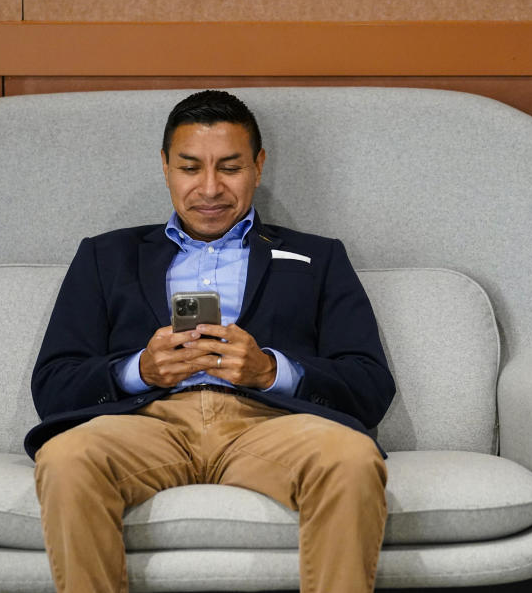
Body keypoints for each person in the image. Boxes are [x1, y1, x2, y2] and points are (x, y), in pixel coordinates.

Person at [26, 90, 395, 593]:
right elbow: (52, 385)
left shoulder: (319, 257)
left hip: (271, 425)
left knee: (353, 460)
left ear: (258, 167)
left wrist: (270, 370)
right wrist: (139, 369)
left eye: (230, 167)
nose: (209, 188)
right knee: (65, 458)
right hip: (146, 423)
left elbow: (370, 383)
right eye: (190, 167)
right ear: (165, 167)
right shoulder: (104, 255)